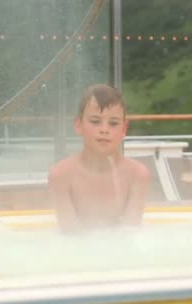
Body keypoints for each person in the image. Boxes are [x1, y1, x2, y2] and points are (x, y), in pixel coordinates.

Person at [48, 84, 150, 231]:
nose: (104, 130)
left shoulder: (137, 175)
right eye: (95, 121)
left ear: (124, 129)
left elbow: (131, 232)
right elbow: (69, 236)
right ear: (78, 125)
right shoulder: (61, 176)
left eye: (113, 123)